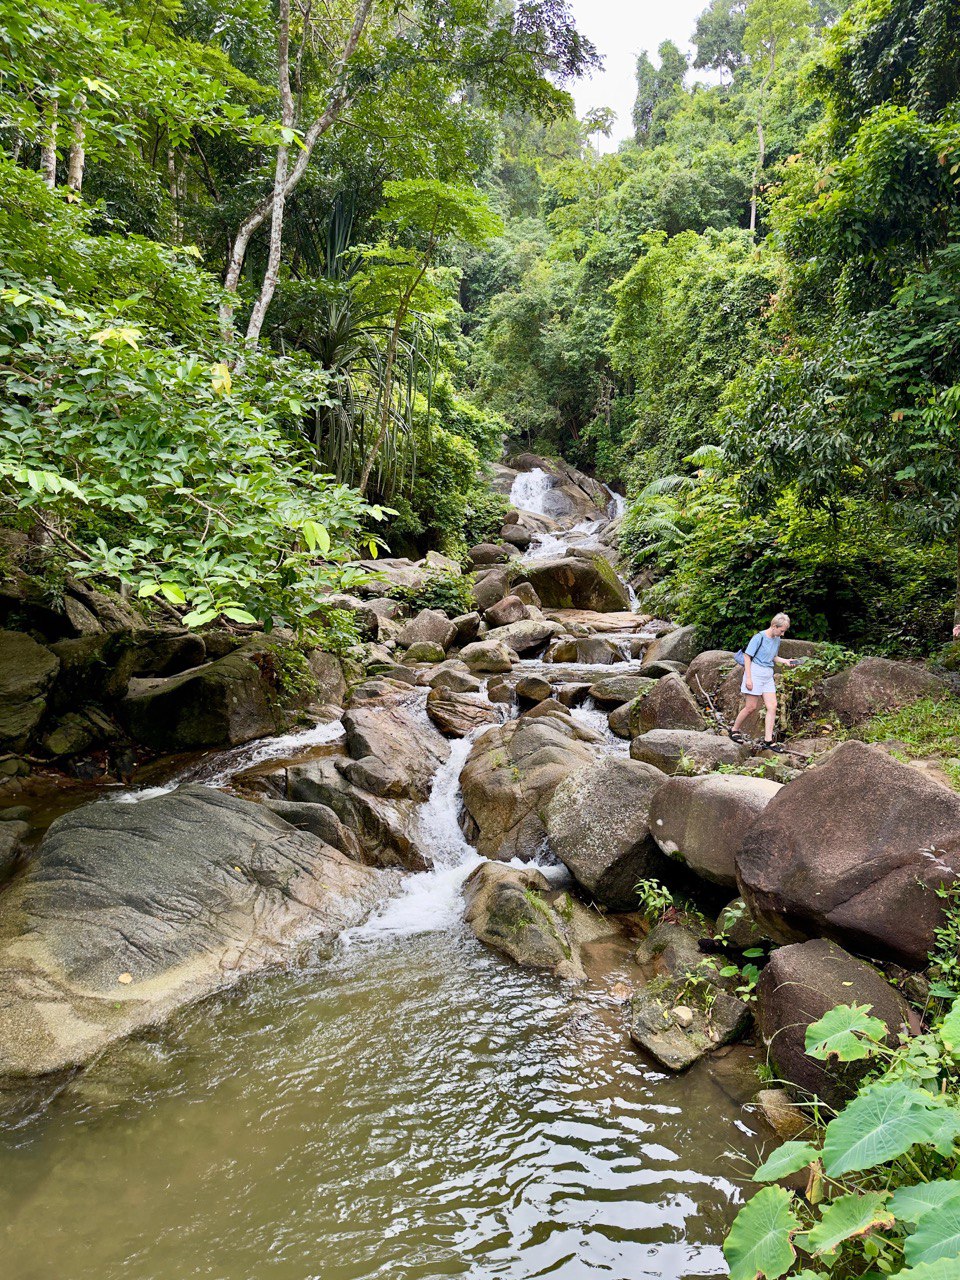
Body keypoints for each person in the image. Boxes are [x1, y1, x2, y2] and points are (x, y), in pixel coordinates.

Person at [728, 612, 800, 752]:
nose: (782, 634)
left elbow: (773, 657)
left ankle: (768, 740)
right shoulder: (758, 637)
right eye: (781, 631)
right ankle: (734, 730)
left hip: (768, 674)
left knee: (772, 706)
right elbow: (747, 657)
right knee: (751, 707)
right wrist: (748, 678)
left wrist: (786, 661)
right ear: (774, 626)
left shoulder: (776, 639)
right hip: (755, 672)